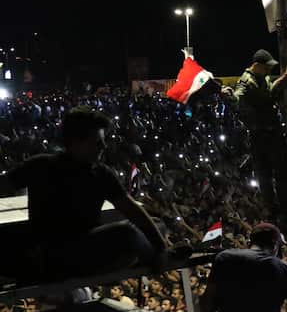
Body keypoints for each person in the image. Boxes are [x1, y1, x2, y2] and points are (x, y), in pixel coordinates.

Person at [0, 106, 170, 279]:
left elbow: (132, 210)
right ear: (75, 142)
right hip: (55, 256)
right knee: (128, 233)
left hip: (87, 249)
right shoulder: (40, 166)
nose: (103, 146)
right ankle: (160, 258)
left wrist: (160, 244)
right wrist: (161, 248)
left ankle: (155, 254)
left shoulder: (101, 173)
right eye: (97, 142)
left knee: (156, 224)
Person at [225, 49, 287, 220]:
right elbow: (237, 98)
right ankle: (271, 206)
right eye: (267, 67)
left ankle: (283, 202)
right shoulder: (246, 81)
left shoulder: (263, 77)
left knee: (281, 169)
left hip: (272, 131)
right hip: (260, 134)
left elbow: (270, 93)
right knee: (265, 173)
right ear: (257, 65)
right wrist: (230, 96)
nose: (269, 70)